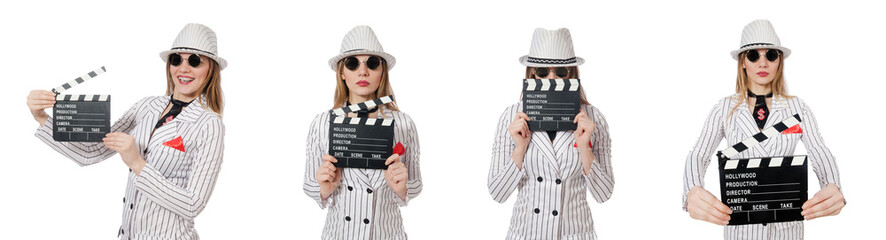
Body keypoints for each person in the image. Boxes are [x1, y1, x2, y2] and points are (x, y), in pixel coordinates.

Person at [27, 23, 226, 239]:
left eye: (195, 61)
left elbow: (192, 204)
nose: (183, 68)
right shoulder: (146, 106)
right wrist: (42, 117)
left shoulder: (209, 124)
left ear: (210, 69)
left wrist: (137, 163)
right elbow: (90, 152)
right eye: (177, 59)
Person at [682, 19, 845, 239]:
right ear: (742, 62)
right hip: (742, 230)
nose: (762, 63)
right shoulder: (724, 108)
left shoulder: (798, 108)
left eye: (770, 55)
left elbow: (819, 150)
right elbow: (699, 153)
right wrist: (693, 189)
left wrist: (832, 185)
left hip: (787, 230)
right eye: (753, 55)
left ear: (779, 61)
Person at [488, 27, 614, 239]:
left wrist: (585, 148)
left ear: (572, 74)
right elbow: (497, 194)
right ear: (532, 74)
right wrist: (519, 149)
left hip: (575, 234)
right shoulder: (511, 117)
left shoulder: (594, 118)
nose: (552, 78)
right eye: (543, 72)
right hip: (527, 233)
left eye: (561, 72)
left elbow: (604, 194)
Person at [303, 25, 422, 240]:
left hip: (387, 234)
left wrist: (402, 187)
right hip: (339, 234)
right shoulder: (322, 123)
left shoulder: (403, 123)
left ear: (382, 71)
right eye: (352, 63)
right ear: (342, 72)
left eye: (373, 63)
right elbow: (310, 186)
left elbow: (415, 185)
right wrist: (324, 187)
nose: (363, 71)